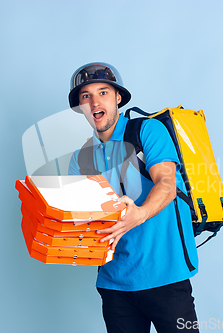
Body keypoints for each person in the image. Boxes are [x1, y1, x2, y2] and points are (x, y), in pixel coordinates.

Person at [68, 62, 200, 333]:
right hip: (114, 286)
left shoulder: (147, 131)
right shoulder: (81, 158)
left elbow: (167, 183)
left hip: (167, 278)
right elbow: (79, 218)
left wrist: (138, 214)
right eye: (86, 96)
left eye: (103, 92)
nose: (94, 102)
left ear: (118, 98)